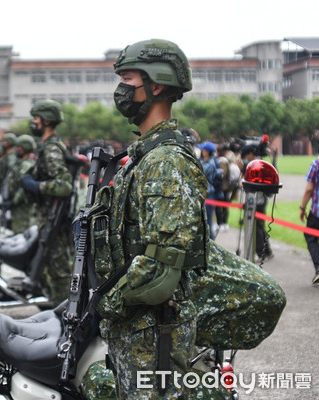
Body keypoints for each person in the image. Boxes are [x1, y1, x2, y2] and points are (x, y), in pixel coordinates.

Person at [94, 39, 232, 399]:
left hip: (155, 331)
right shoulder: (145, 155)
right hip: (139, 329)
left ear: (155, 86)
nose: (121, 90)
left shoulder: (164, 161)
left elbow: (162, 265)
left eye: (128, 80)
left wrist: (105, 302)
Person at [21, 99, 74, 306]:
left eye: (36, 119)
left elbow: (64, 186)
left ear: (46, 121)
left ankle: (66, 318)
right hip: (49, 218)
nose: (33, 123)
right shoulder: (49, 146)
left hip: (55, 222)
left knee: (60, 275)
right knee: (52, 271)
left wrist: (37, 186)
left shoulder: (52, 150)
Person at [240, 145, 273, 259]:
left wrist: (244, 182)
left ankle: (262, 252)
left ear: (250, 154)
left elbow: (256, 183)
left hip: (258, 200)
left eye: (245, 156)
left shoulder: (258, 165)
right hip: (254, 199)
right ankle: (266, 251)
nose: (244, 158)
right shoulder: (253, 164)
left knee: (258, 228)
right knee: (258, 227)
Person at [7, 134, 37, 233]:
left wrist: (14, 201)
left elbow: (24, 186)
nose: (16, 149)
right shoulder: (21, 163)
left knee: (20, 232)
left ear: (25, 148)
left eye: (18, 147)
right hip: (19, 207)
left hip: (23, 208)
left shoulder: (26, 165)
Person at [299, 157, 319, 284]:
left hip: (317, 212)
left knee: (310, 237)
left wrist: (302, 208)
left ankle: (318, 266)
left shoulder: (316, 164)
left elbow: (309, 189)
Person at [198, 141, 224, 239]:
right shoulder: (202, 160)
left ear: (208, 152)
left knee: (208, 221)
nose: (202, 151)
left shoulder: (211, 163)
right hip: (202, 194)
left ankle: (211, 241)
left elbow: (200, 172)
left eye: (203, 149)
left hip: (209, 194)